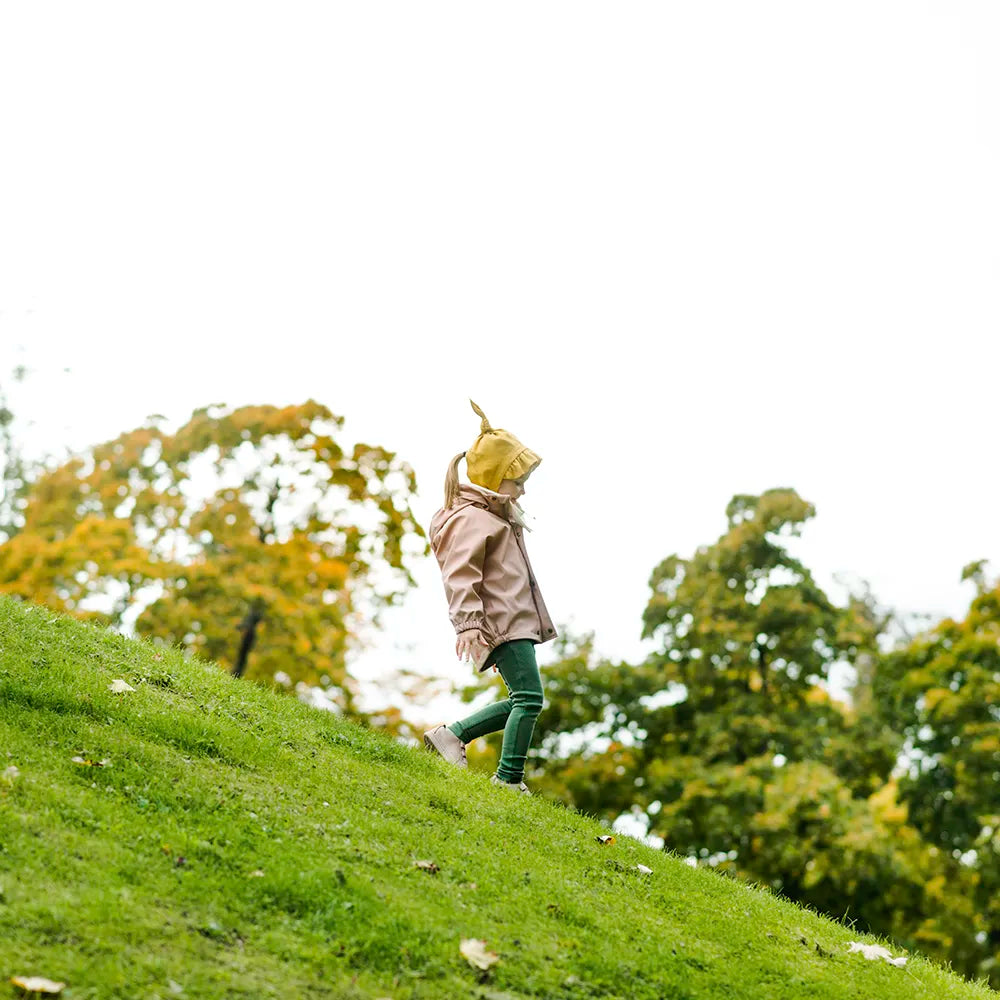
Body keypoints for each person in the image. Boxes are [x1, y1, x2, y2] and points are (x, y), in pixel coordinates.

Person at [423, 400, 557, 794]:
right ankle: (508, 779)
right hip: (502, 621)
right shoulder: (471, 518)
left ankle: (453, 735)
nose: (523, 488)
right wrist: (469, 626)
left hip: (513, 621)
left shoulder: (496, 516)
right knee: (530, 699)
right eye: (517, 480)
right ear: (495, 477)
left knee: (525, 698)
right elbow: (460, 575)